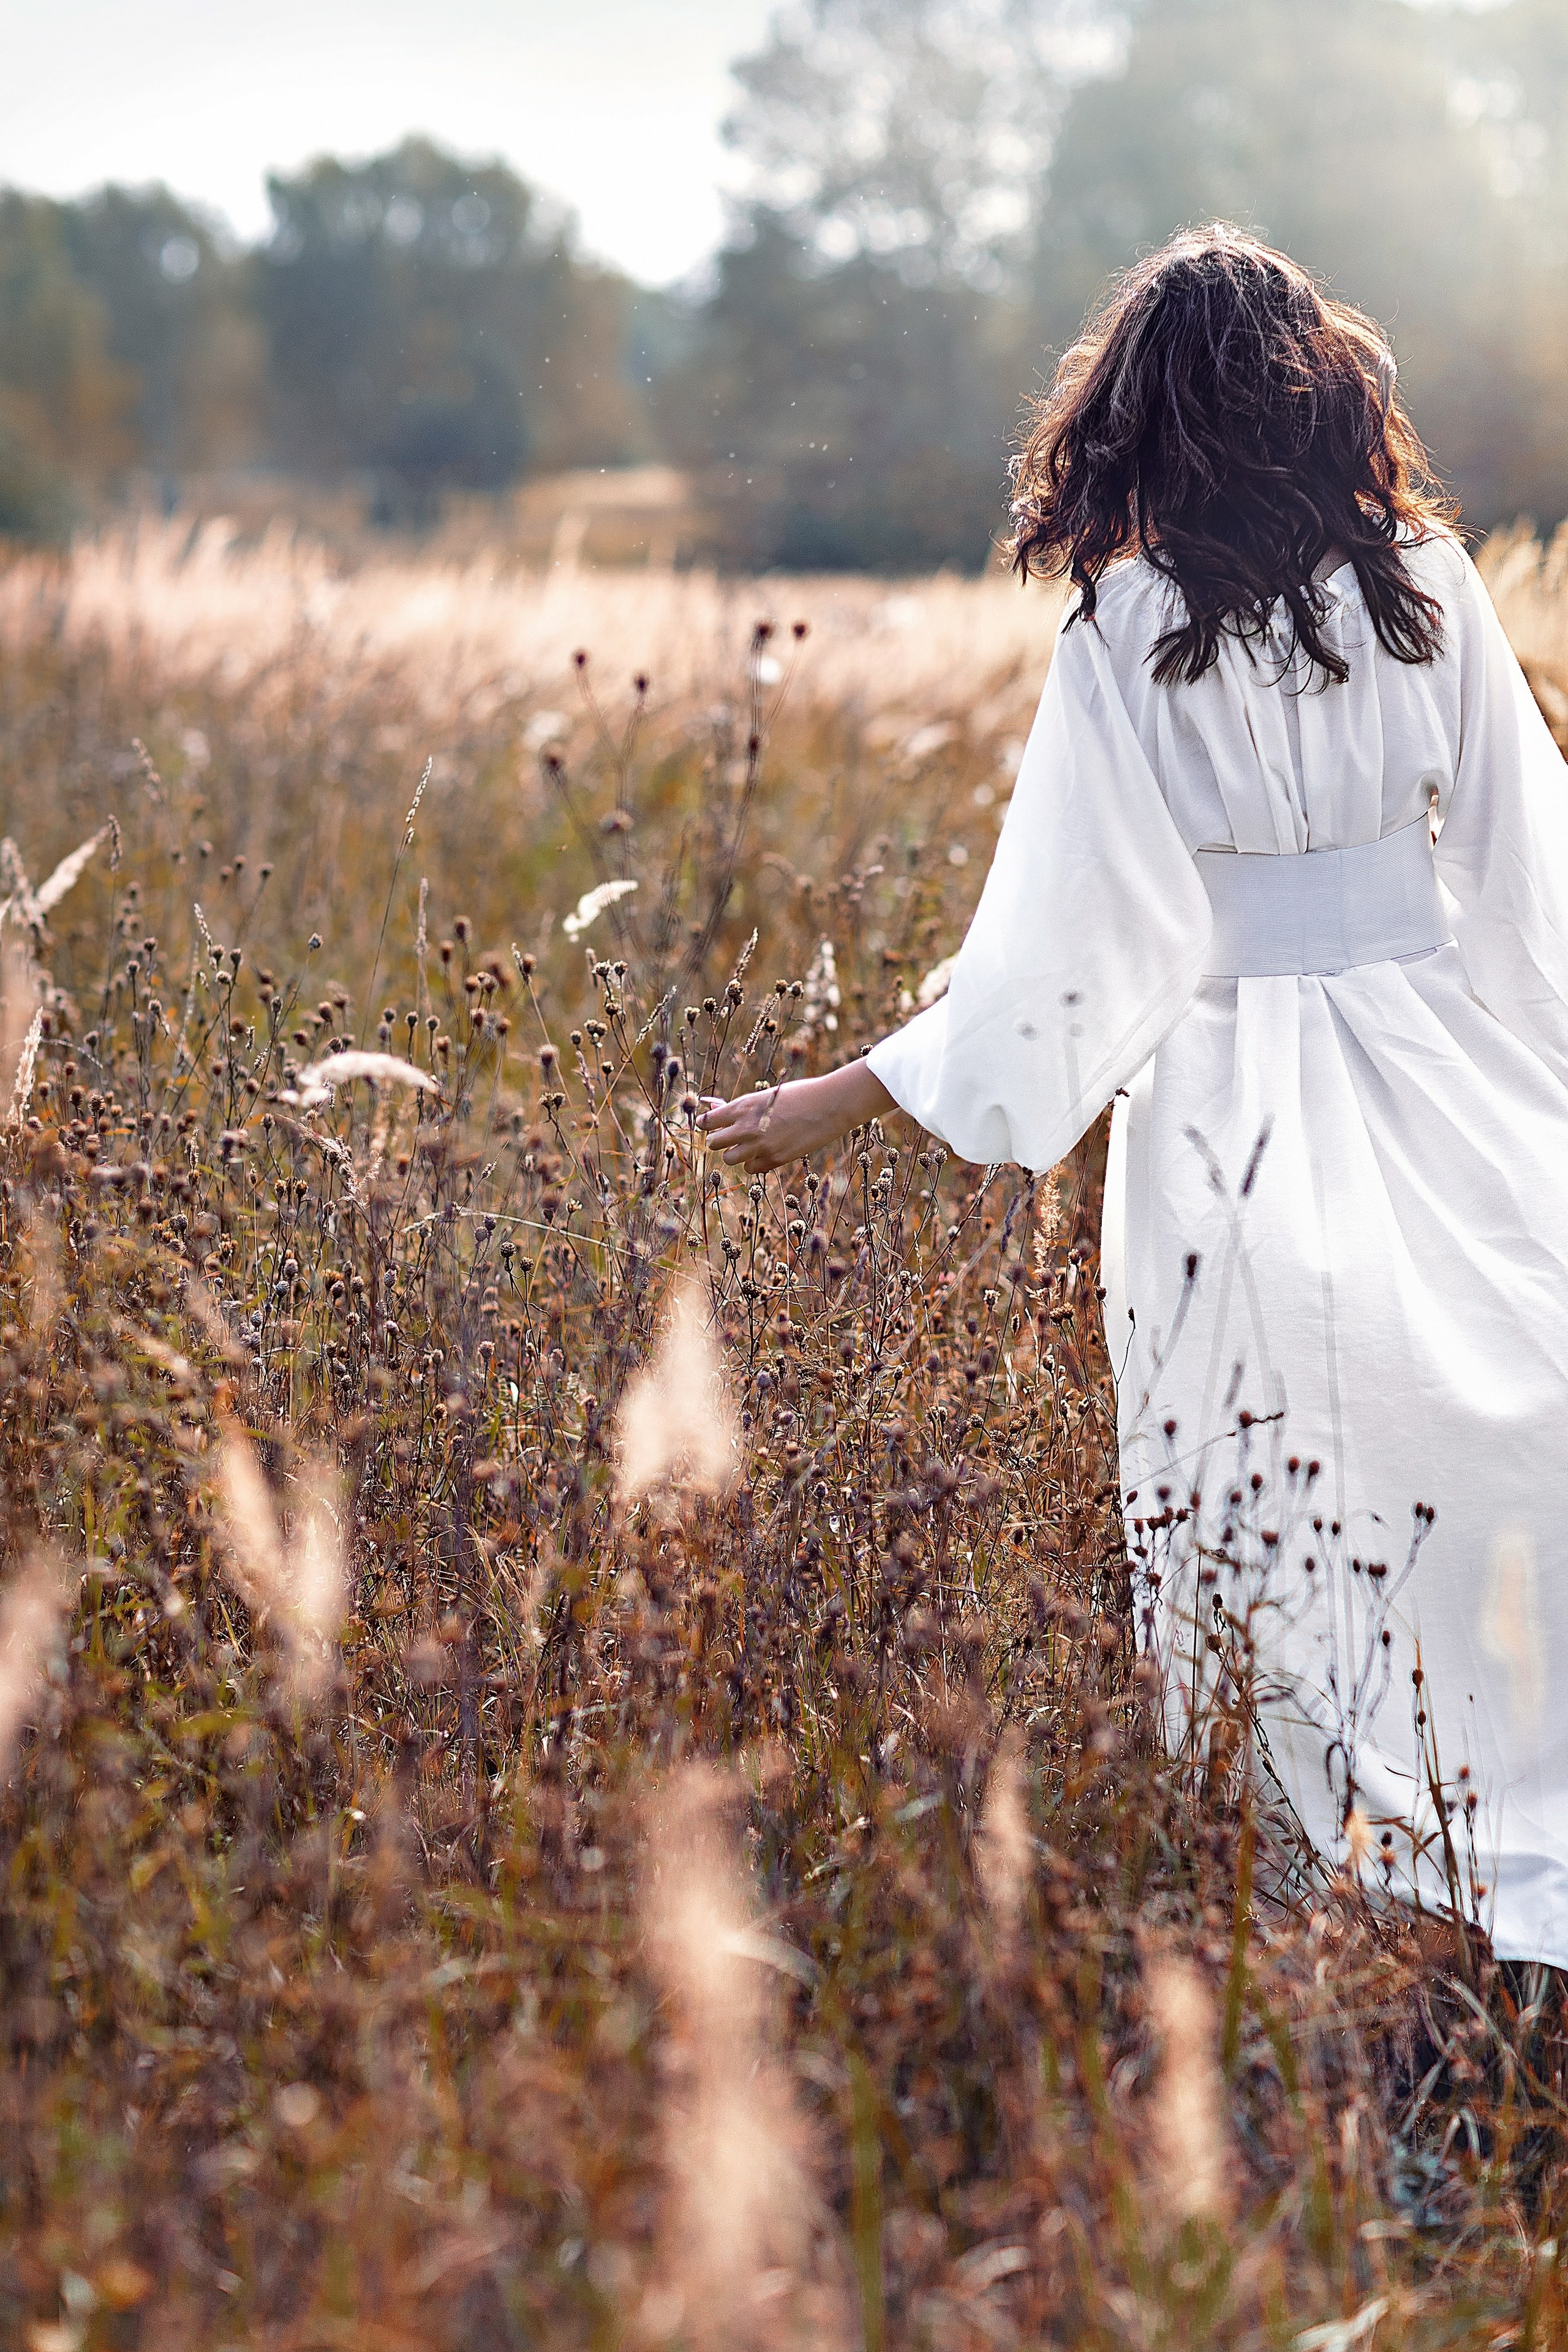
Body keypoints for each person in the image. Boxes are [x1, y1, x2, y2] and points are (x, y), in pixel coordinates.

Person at [699, 223, 1568, 1968]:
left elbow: (1056, 952)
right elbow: (1528, 877)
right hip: (1445, 1067)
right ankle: (1508, 1813)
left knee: (1277, 1474)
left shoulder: (1128, 622)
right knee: (1507, 1426)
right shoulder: (1430, 586)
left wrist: (848, 1091)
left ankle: (1366, 1900)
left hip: (1233, 1100)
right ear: (1326, 395)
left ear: (1141, 416)